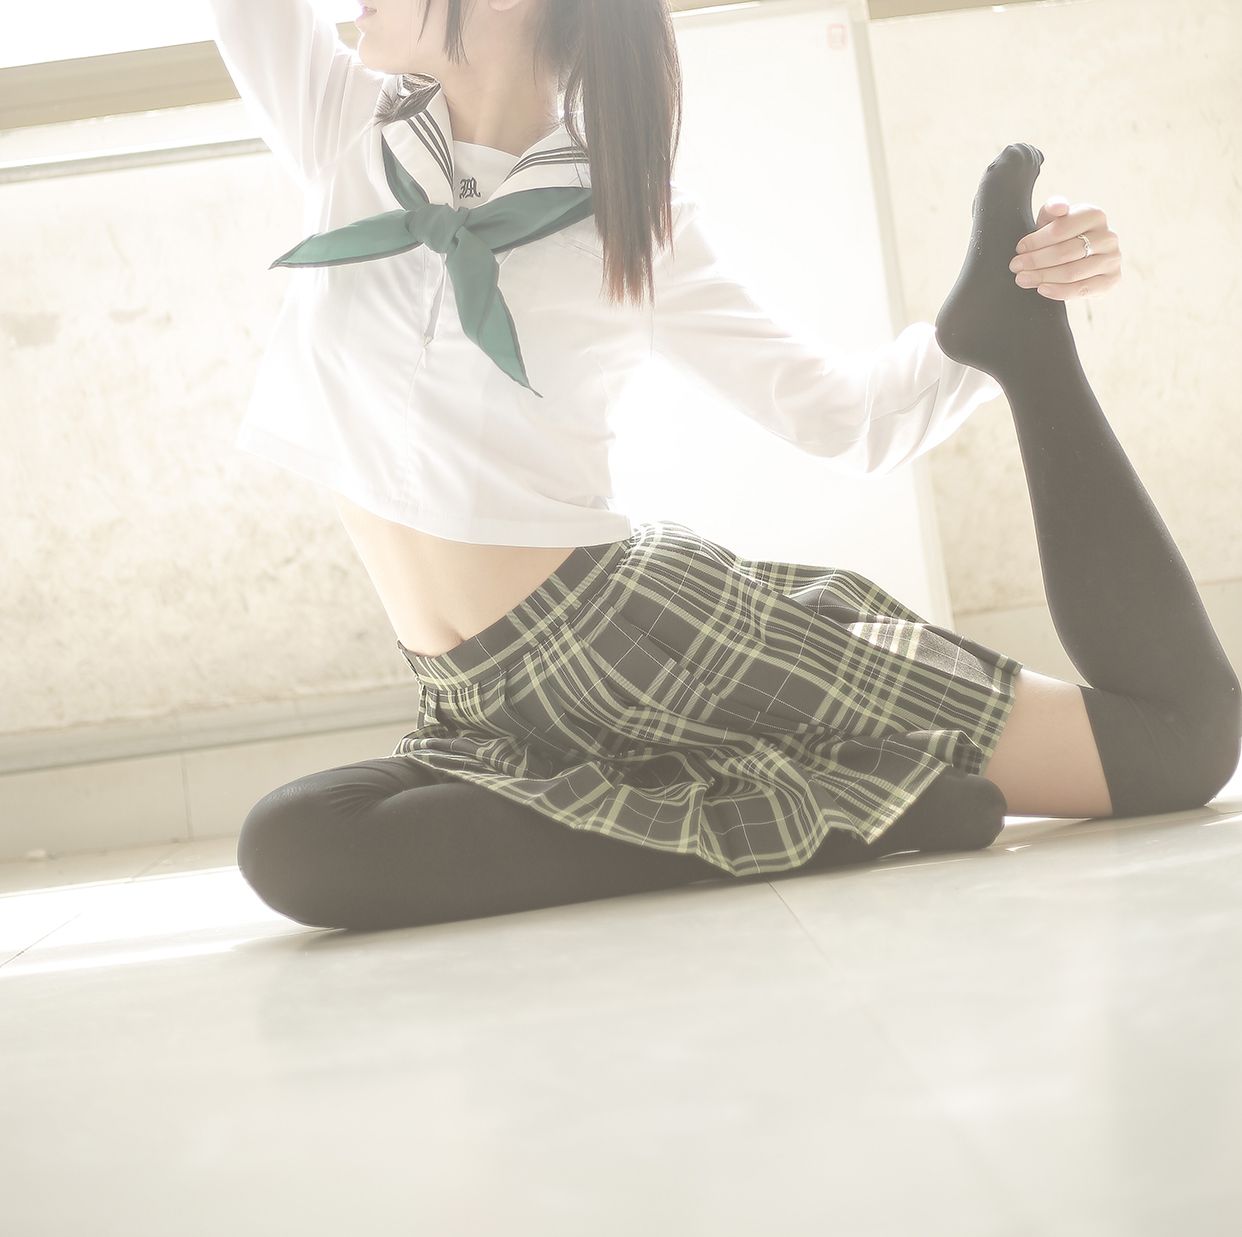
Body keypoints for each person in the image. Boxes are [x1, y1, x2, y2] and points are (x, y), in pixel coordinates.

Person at [206, 0, 1240, 931]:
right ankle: (811, 817)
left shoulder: (625, 214)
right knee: (296, 842)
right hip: (472, 702)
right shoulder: (342, 126)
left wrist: (996, 319)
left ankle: (1023, 350)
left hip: (645, 647)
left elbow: (846, 420)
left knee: (1174, 747)